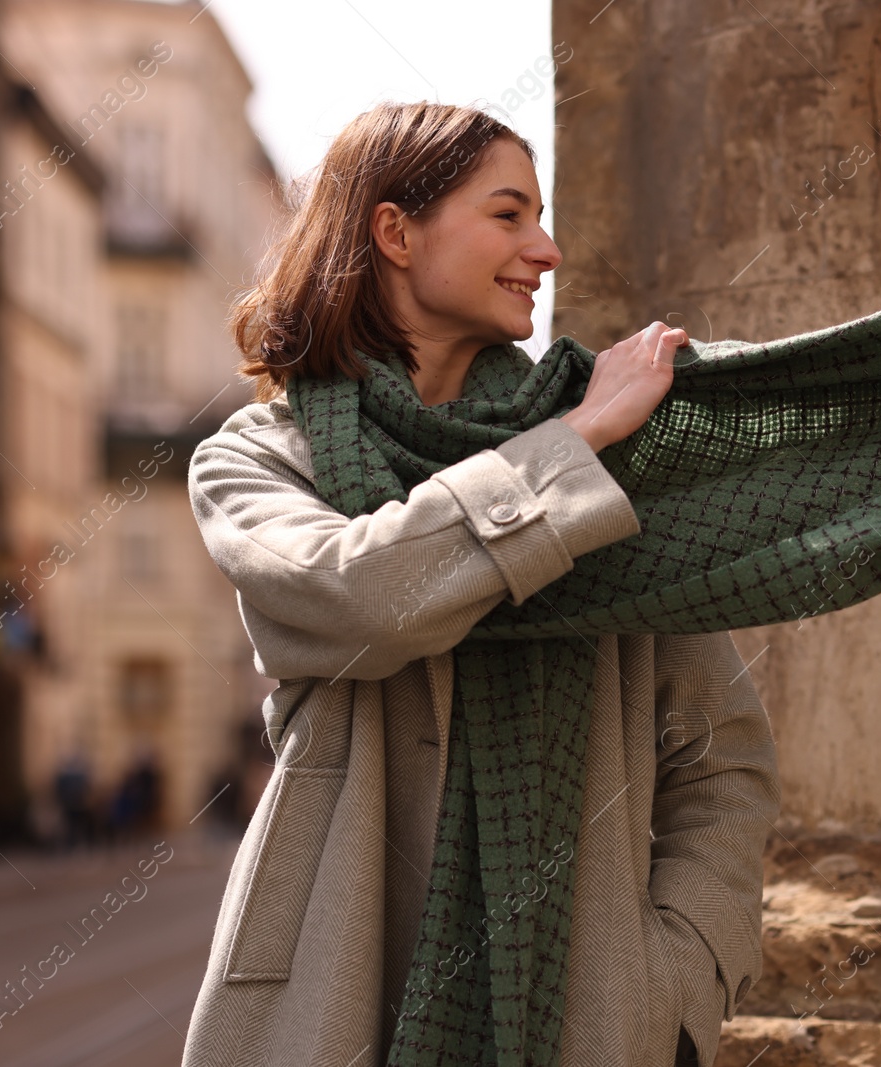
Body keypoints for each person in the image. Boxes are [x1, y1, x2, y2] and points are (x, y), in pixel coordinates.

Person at [181, 102, 780, 1067]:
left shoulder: (613, 467)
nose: (544, 249)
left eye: (540, 219)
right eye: (509, 215)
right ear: (395, 232)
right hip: (334, 1004)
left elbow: (722, 761)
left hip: (588, 1015)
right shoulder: (257, 459)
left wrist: (675, 979)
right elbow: (363, 599)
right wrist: (573, 443)